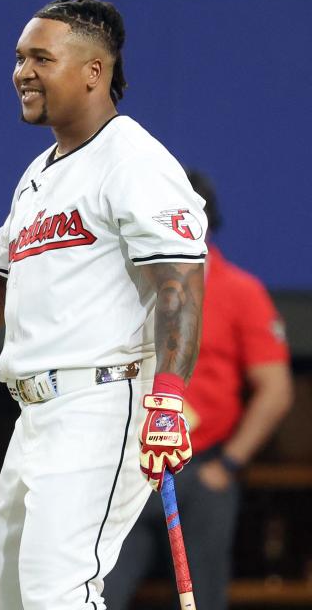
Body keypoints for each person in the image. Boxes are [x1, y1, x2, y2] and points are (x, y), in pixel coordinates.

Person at [0, 0, 208, 609]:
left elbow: (179, 283)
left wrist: (169, 399)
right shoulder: (40, 171)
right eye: (19, 57)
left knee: (59, 595)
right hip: (35, 413)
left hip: (103, 403)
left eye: (40, 58)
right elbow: (2, 284)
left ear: (94, 71)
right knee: (9, 597)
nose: (21, 72)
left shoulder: (135, 160)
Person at [102, 170, 294, 610]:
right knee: (97, 596)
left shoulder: (241, 292)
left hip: (200, 473)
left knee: (200, 604)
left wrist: (227, 465)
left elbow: (276, 391)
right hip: (128, 467)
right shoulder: (124, 285)